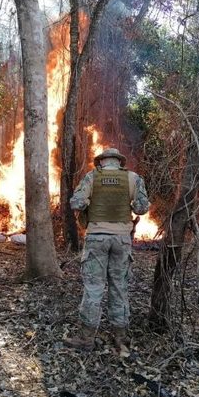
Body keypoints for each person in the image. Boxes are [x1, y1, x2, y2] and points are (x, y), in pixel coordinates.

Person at [64, 148, 150, 351]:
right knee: (119, 287)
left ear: (101, 162)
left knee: (94, 288)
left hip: (96, 238)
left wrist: (88, 203)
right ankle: (120, 338)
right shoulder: (133, 178)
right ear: (120, 162)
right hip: (121, 240)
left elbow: (76, 202)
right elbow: (141, 208)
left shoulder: (92, 177)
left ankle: (86, 338)